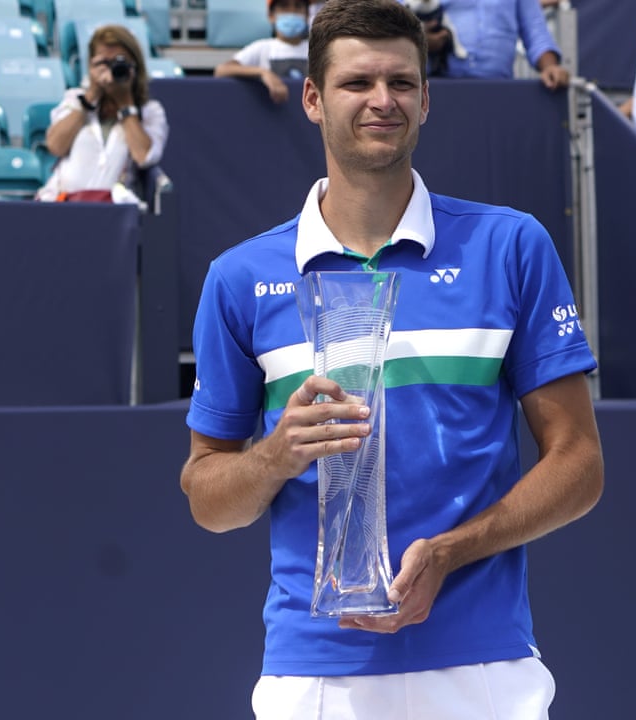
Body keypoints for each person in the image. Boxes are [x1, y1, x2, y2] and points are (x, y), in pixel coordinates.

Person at [180, 1, 603, 718]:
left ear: (426, 97)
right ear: (312, 98)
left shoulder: (511, 247)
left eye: (402, 83)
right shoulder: (241, 276)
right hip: (314, 676)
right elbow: (207, 497)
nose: (383, 101)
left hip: (486, 665)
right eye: (357, 83)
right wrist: (275, 456)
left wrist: (449, 553)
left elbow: (580, 466)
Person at [36, 23, 168, 204]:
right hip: (64, 205)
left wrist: (126, 103)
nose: (112, 70)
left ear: (134, 67)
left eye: (119, 63)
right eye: (104, 63)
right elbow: (55, 146)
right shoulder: (75, 100)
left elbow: (143, 157)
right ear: (91, 65)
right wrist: (91, 96)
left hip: (113, 213)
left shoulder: (150, 111)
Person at [428, 0, 569, 90]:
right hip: (440, 88)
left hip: (498, 90)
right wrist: (421, 40)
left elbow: (535, 30)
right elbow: (407, 24)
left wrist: (550, 66)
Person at [214, 0, 310, 104]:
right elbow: (221, 70)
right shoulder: (262, 48)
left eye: (298, 6)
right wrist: (263, 73)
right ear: (271, 15)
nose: (292, 12)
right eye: (284, 6)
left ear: (307, 15)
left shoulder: (316, 48)